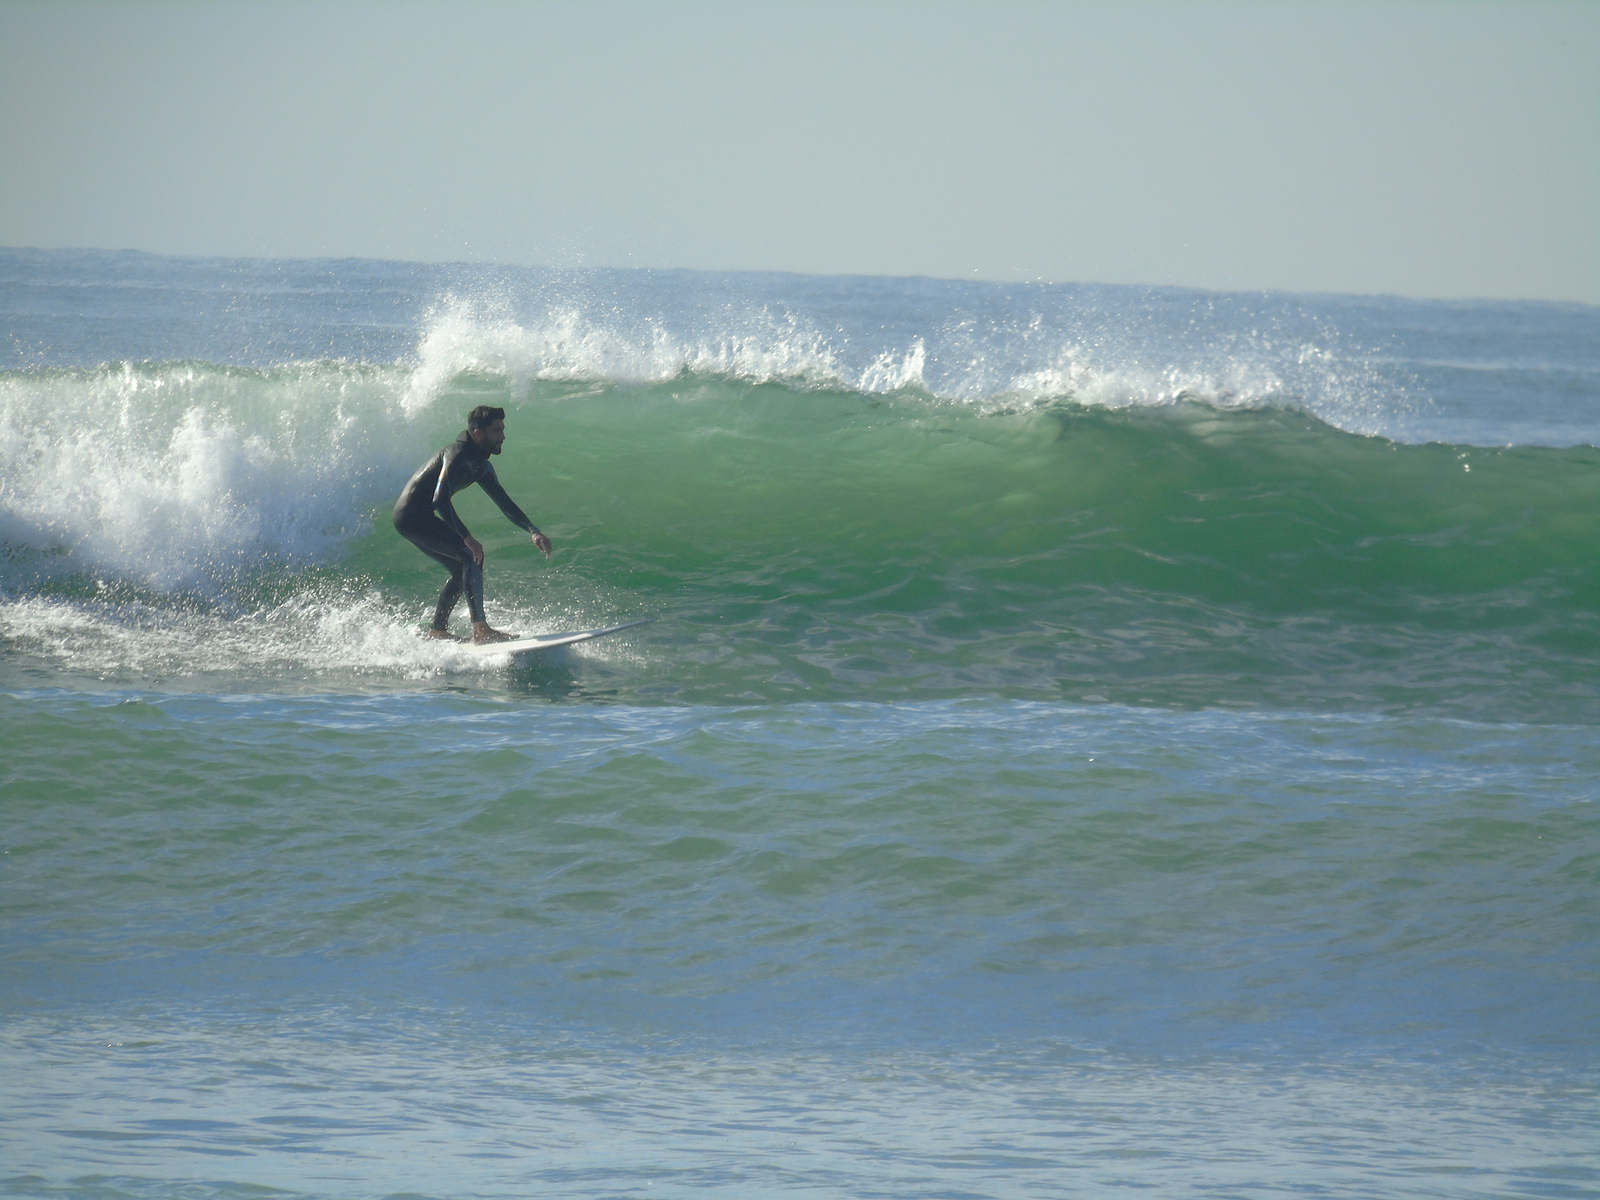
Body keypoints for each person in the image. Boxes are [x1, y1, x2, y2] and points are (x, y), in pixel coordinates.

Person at [394, 405, 553, 643]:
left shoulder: (481, 465)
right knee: (470, 555)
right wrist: (467, 538)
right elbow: (440, 499)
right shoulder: (456, 454)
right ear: (478, 434)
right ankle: (480, 629)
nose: (503, 437)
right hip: (411, 514)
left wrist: (533, 530)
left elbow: (504, 502)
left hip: (418, 516)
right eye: (497, 431)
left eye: (503, 429)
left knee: (462, 569)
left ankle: (438, 630)